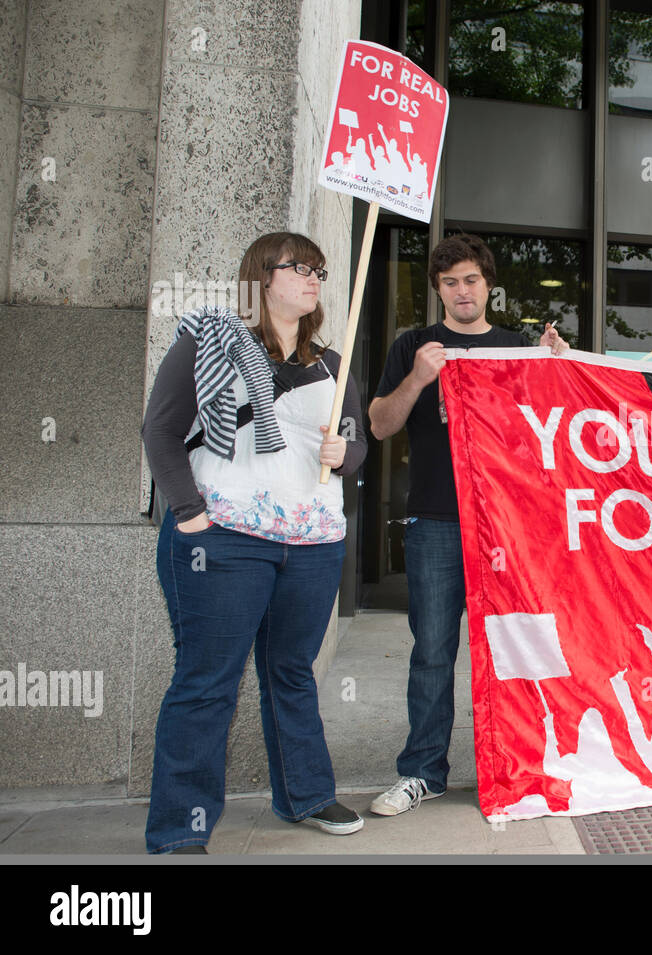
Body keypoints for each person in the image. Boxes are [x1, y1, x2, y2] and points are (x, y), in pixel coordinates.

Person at [141, 232, 368, 853]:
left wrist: (346, 452)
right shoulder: (209, 340)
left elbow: (358, 445)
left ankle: (305, 795)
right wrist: (188, 514)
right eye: (301, 267)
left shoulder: (331, 363)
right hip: (223, 540)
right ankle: (178, 830)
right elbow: (160, 430)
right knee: (207, 680)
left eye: (319, 270)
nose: (314, 277)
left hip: (313, 543)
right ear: (262, 275)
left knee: (291, 672)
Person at [368, 234, 568, 816]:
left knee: (513, 647)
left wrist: (555, 365)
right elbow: (379, 425)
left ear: (488, 285)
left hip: (508, 524)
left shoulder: (515, 347)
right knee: (433, 649)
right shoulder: (414, 346)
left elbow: (551, 431)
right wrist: (417, 380)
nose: (461, 291)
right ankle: (423, 772)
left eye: (471, 280)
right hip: (436, 520)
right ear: (438, 290)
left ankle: (514, 766)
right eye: (450, 282)